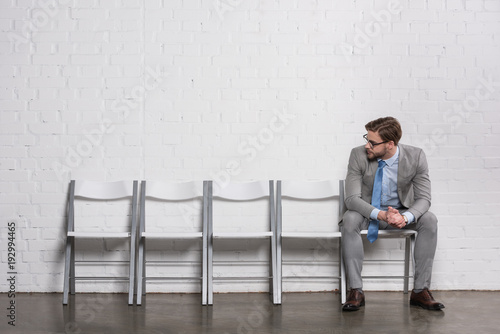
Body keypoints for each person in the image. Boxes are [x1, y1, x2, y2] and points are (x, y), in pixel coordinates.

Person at [341, 116, 444, 311]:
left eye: (372, 142)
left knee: (429, 219)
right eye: (366, 139)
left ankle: (420, 291)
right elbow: (352, 199)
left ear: (390, 144)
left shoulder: (416, 156)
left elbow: (424, 198)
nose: (367, 146)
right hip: (368, 213)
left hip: (400, 214)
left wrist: (405, 217)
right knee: (349, 218)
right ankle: (355, 290)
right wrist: (381, 215)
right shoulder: (357, 155)